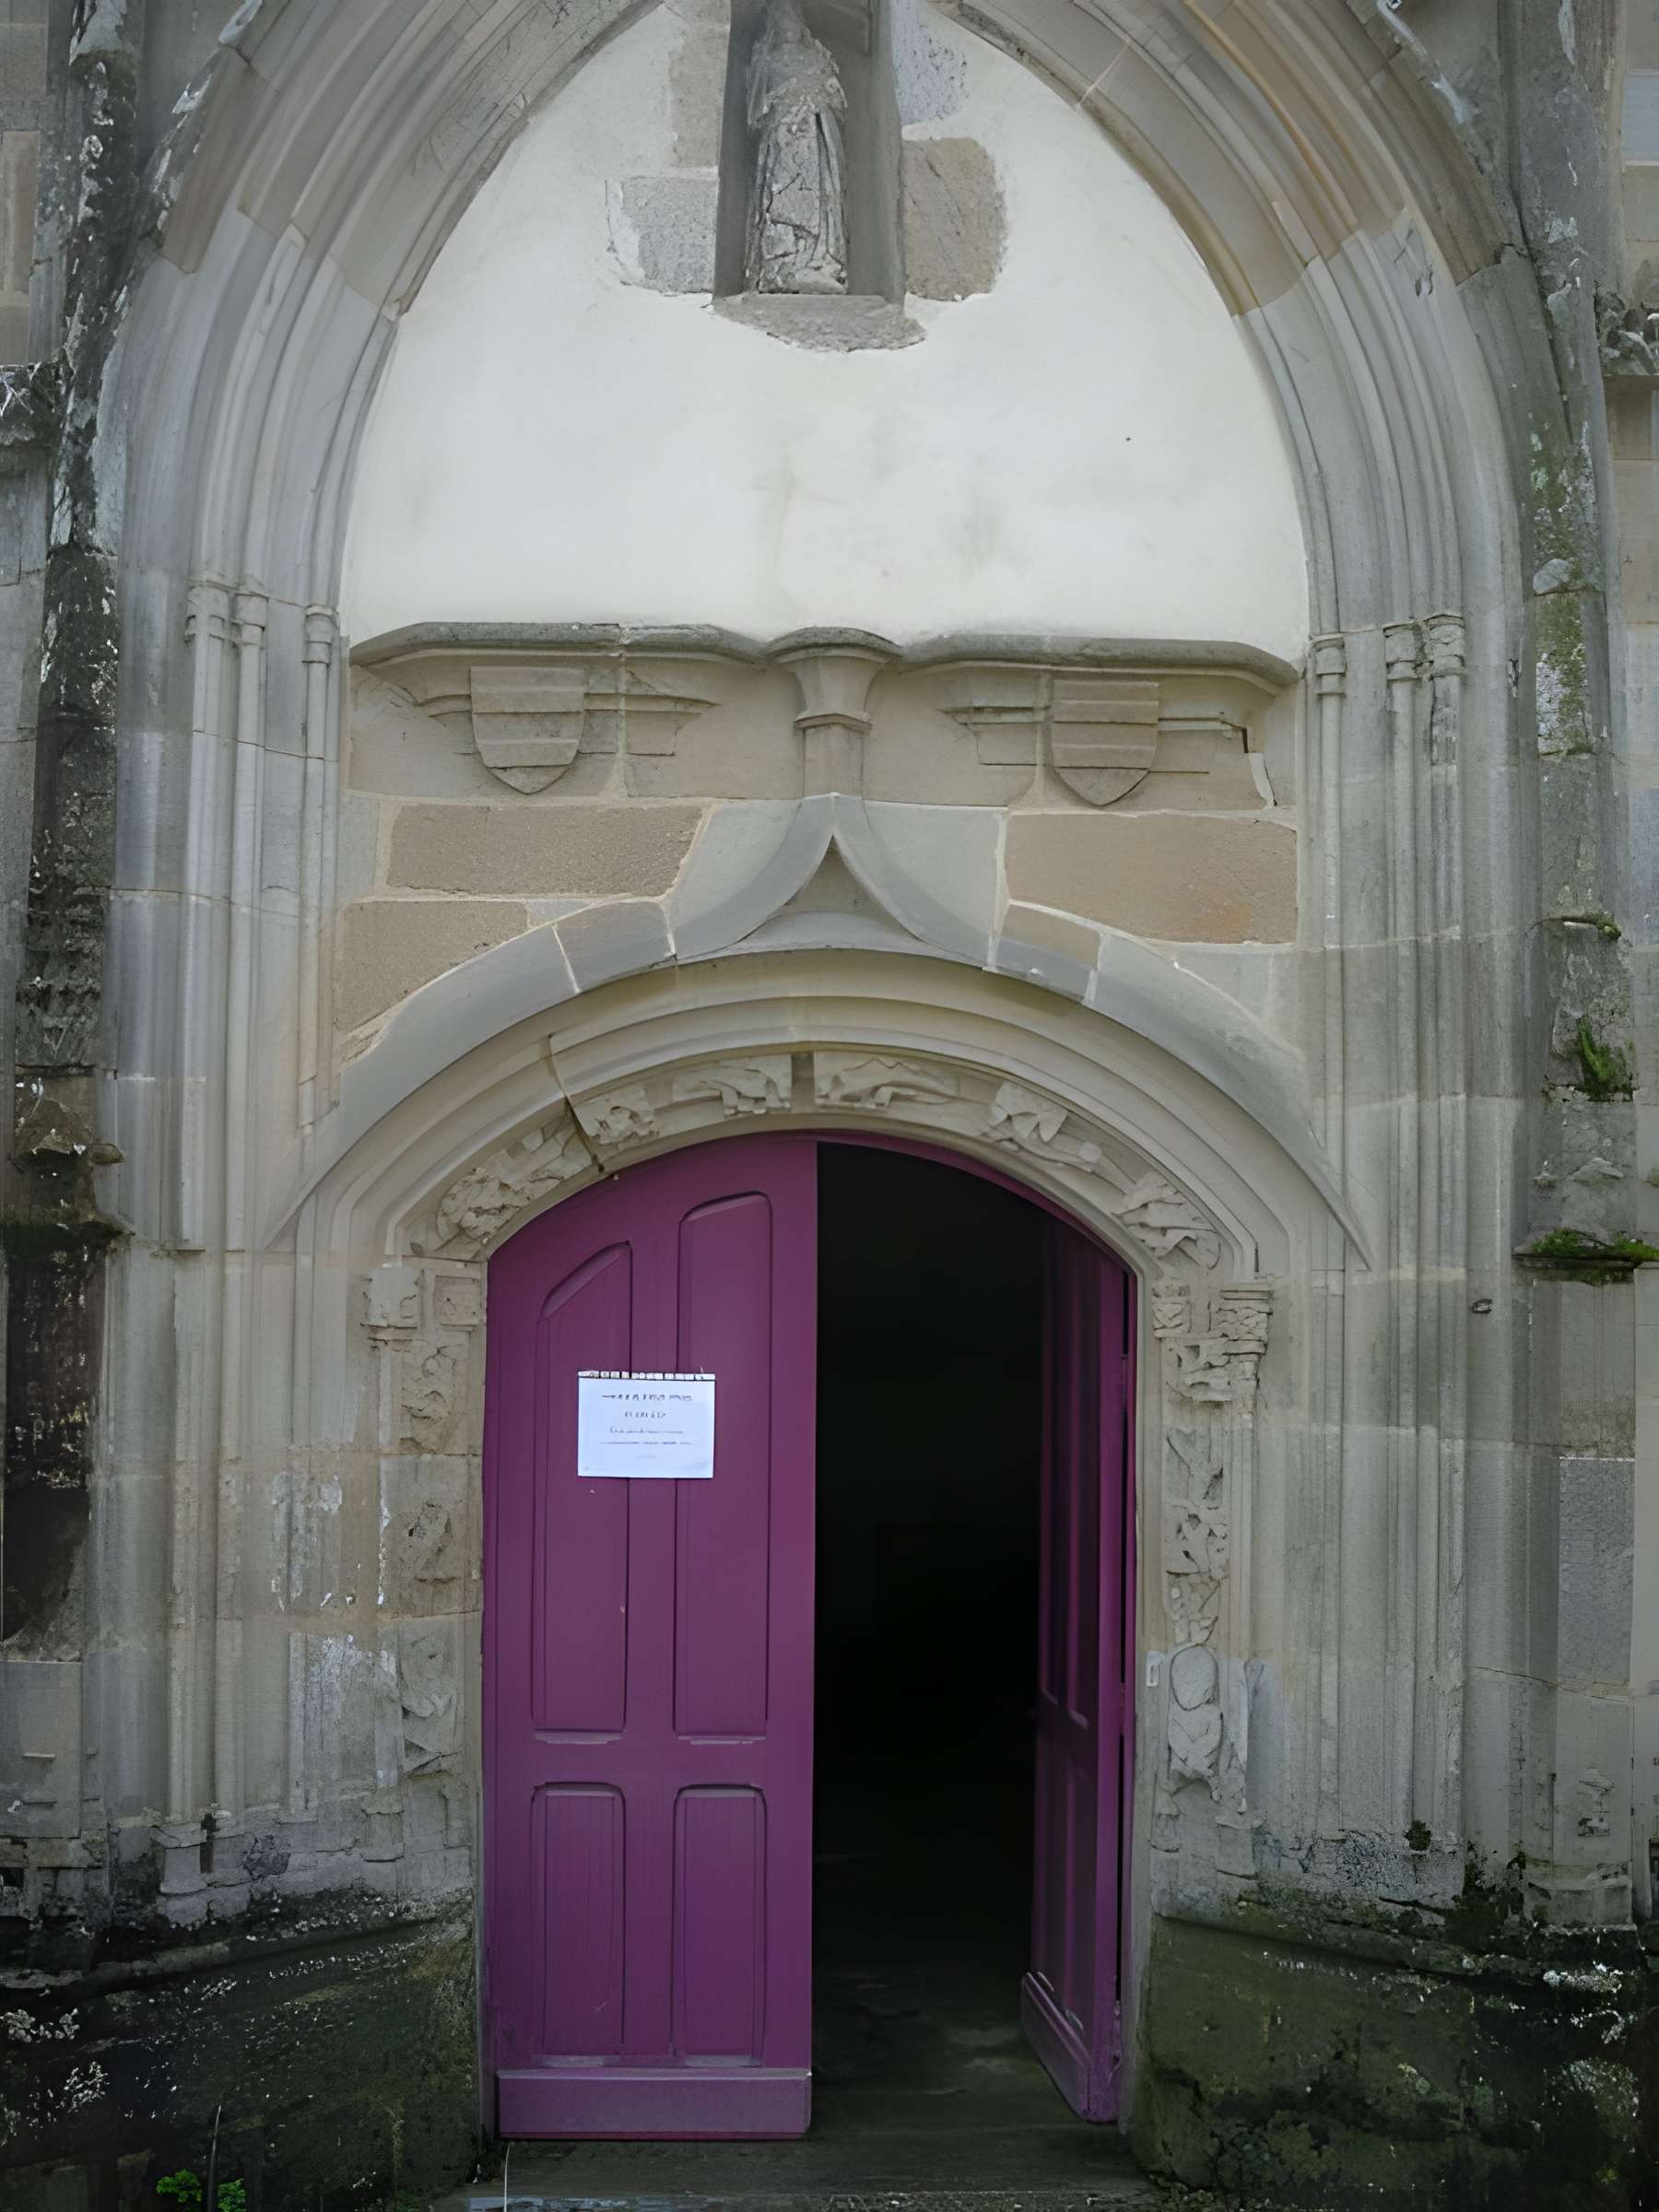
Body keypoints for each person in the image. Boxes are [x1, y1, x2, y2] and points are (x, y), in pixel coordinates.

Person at [746, 0, 849, 295]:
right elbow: (755, 112)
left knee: (820, 193)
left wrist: (826, 94)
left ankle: (820, 261)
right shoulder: (768, 60)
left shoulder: (817, 58)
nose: (787, 25)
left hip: (816, 134)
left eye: (792, 19)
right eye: (781, 20)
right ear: (773, 27)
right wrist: (783, 97)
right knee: (785, 192)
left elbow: (840, 102)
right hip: (784, 136)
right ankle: (782, 263)